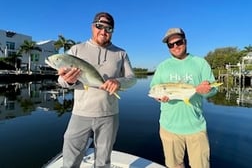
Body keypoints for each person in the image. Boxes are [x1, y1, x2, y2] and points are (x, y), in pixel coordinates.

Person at [57, 12, 137, 168]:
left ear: (112, 31)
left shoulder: (121, 53)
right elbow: (61, 80)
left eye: (109, 28)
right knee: (69, 161)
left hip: (109, 115)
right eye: (99, 26)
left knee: (103, 161)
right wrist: (68, 80)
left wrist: (118, 82)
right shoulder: (76, 49)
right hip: (80, 113)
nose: (103, 31)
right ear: (92, 26)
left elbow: (132, 79)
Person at [150, 28, 218, 168]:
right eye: (170, 44)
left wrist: (206, 90)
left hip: (196, 127)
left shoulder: (200, 63)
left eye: (178, 42)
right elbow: (154, 90)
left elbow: (213, 90)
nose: (175, 46)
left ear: (185, 41)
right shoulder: (163, 66)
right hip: (169, 128)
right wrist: (159, 98)